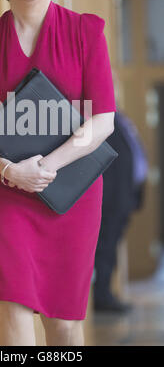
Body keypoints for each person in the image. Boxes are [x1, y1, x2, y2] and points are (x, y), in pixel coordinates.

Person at [0, 0, 116, 346]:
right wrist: (13, 170)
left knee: (63, 320)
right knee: (13, 304)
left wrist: (45, 166)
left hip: (72, 191)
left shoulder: (87, 31)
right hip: (4, 189)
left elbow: (103, 119)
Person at [94, 72, 148, 313]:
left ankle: (107, 293)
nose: (112, 88)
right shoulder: (102, 123)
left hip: (123, 199)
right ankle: (102, 297)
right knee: (104, 250)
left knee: (112, 248)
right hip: (110, 201)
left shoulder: (119, 119)